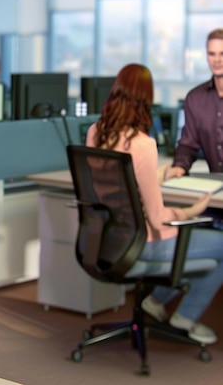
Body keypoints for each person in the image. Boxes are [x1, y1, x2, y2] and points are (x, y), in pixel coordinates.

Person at [87, 63, 223, 345]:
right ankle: (185, 316)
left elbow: (116, 186)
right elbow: (158, 217)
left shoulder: (95, 132)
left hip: (108, 240)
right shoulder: (143, 144)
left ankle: (156, 302)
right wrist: (191, 211)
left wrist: (152, 177)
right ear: (145, 99)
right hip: (143, 244)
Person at [168, 28, 223, 177]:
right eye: (212, 54)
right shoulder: (195, 98)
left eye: (222, 54)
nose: (217, 60)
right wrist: (179, 166)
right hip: (217, 187)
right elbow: (188, 143)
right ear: (207, 56)